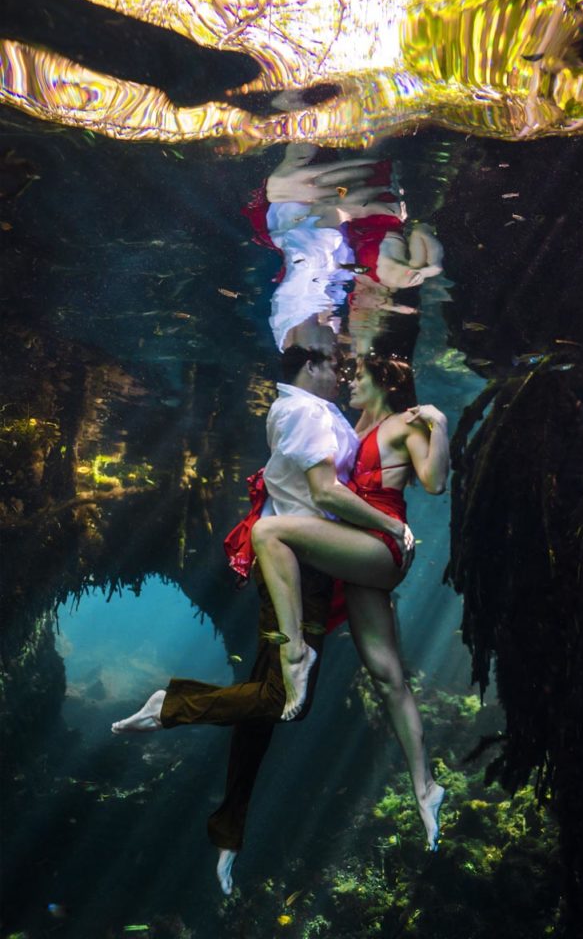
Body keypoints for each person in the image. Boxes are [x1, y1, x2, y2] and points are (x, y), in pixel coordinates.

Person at [111, 345, 414, 896]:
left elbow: (353, 458)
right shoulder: (301, 410)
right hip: (289, 576)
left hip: (310, 573)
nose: (338, 374)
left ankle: (229, 832)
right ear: (308, 368)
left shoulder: (324, 414)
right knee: (279, 702)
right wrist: (392, 529)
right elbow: (324, 493)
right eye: (330, 366)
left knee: (265, 703)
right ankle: (171, 705)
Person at [251, 352, 449, 850]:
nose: (348, 381)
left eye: (357, 375)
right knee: (387, 677)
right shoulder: (357, 425)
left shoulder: (407, 423)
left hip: (383, 546)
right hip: (361, 552)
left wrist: (440, 424)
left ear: (382, 379)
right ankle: (425, 790)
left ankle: (294, 651)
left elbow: (435, 482)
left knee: (269, 532)